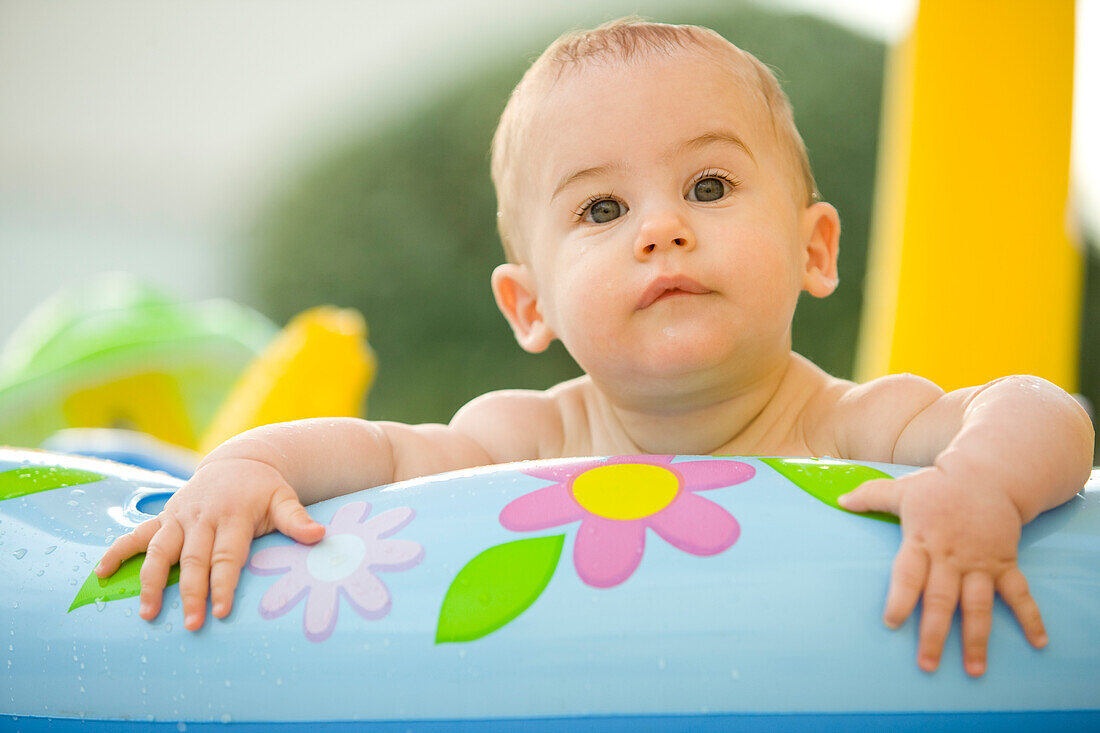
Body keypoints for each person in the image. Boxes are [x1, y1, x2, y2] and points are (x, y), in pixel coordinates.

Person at [96, 19, 1094, 678]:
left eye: (706, 187)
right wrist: (246, 465)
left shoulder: (855, 423)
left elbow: (1037, 411)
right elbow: (377, 452)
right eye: (602, 207)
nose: (658, 229)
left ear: (813, 247)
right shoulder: (523, 439)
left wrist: (981, 489)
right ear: (529, 306)